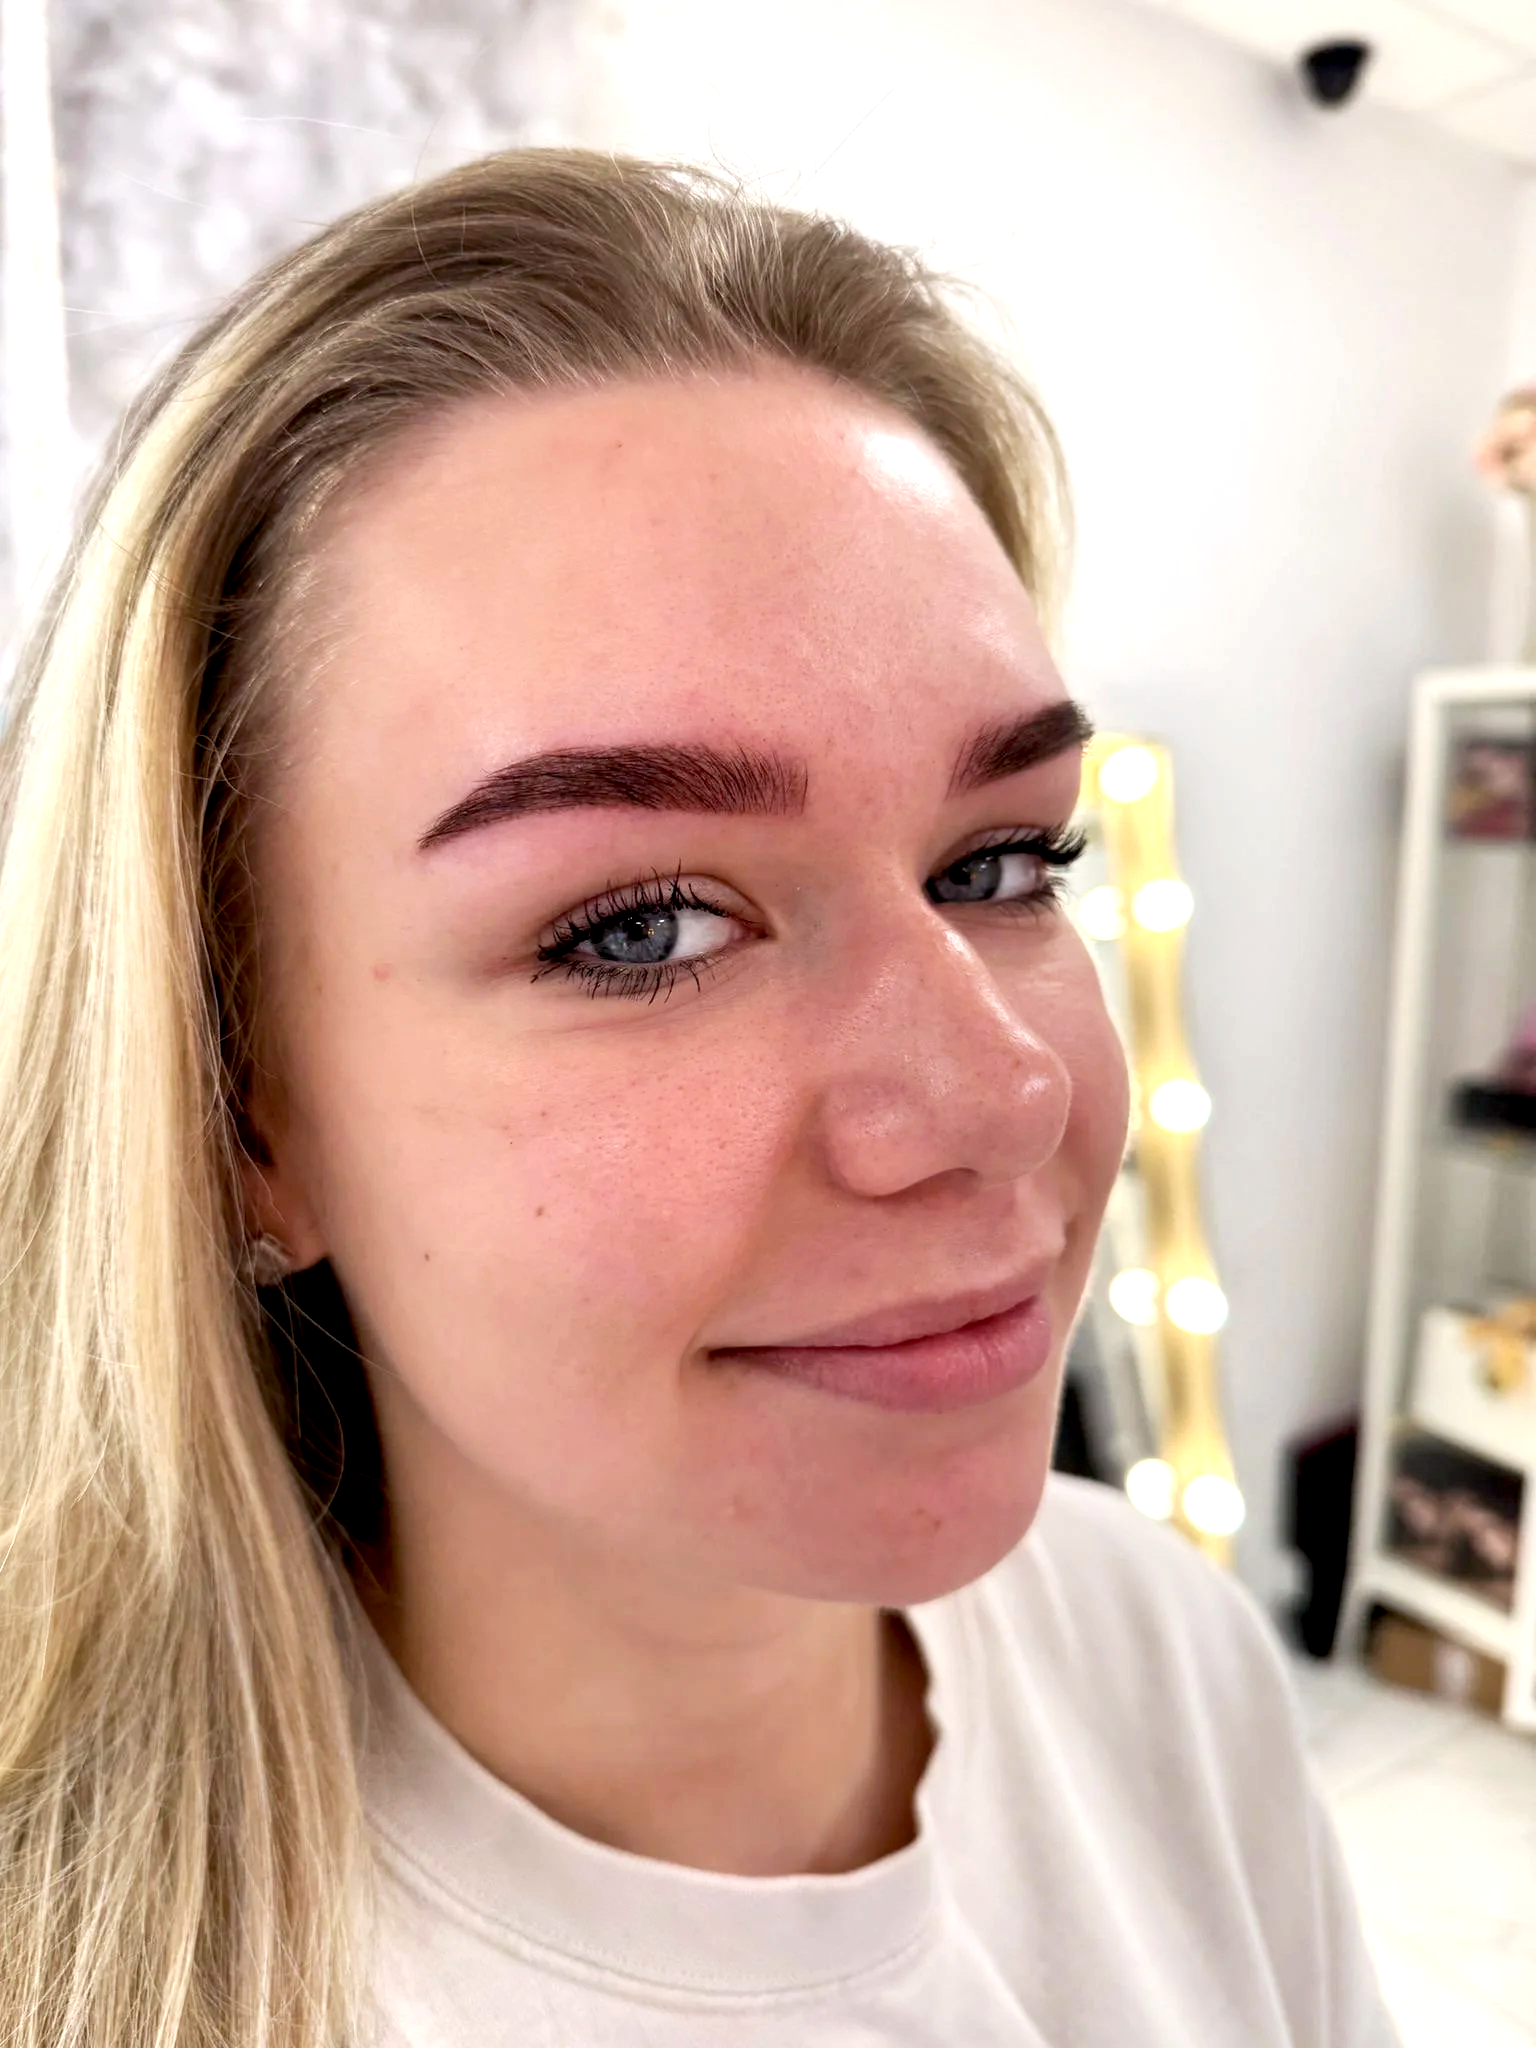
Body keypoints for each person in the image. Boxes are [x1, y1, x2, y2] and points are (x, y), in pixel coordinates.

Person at [0, 148, 1398, 2048]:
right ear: (245, 1116)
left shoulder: (1162, 1653)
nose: (995, 1095)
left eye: (1003, 862)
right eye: (643, 926)